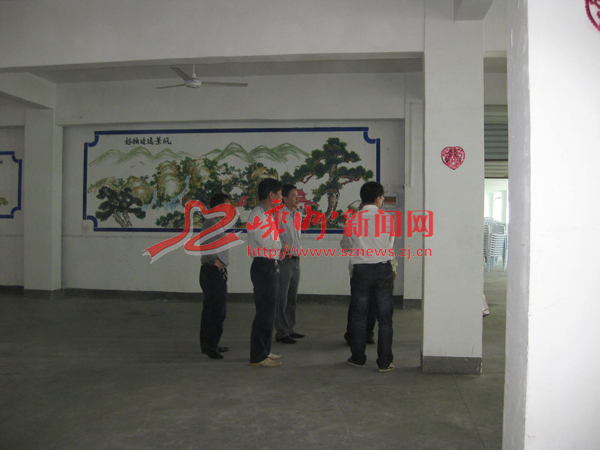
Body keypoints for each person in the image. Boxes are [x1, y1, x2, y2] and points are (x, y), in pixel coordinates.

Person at [345, 181, 396, 372]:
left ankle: (358, 358)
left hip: (361, 270)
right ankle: (385, 362)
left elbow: (348, 244)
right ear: (377, 199)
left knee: (359, 316)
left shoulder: (352, 219)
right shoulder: (388, 219)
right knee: (385, 318)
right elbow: (390, 245)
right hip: (383, 269)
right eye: (382, 198)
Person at [247, 178, 284, 368]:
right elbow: (267, 243)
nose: (281, 198)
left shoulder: (266, 214)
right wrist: (282, 246)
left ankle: (265, 349)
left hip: (270, 264)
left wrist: (279, 247)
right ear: (271, 195)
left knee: (270, 311)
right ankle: (258, 356)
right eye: (280, 194)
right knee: (264, 313)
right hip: (264, 266)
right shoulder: (257, 215)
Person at [199, 193, 233, 360]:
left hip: (215, 272)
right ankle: (210, 347)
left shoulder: (216, 223)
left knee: (214, 311)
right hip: (212, 272)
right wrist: (214, 261)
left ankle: (211, 344)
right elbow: (206, 245)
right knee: (216, 311)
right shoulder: (211, 223)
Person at [275, 184, 305, 344]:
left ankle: (290, 328)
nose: (297, 198)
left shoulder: (298, 215)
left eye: (297, 195)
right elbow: (273, 235)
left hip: (296, 259)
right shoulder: (278, 215)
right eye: (293, 195)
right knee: (282, 297)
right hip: (284, 260)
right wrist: (282, 245)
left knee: (292, 298)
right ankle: (281, 332)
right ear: (285, 198)